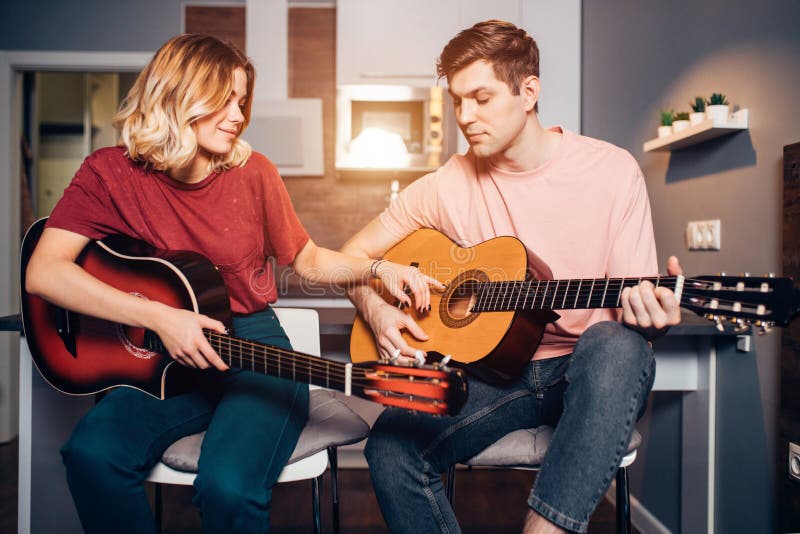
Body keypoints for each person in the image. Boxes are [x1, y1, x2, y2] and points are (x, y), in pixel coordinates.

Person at [24, 34, 437, 534]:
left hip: (254, 348)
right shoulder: (108, 174)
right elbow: (45, 271)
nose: (238, 115)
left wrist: (378, 269)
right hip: (163, 359)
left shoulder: (254, 172)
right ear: (176, 94)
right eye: (224, 99)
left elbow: (305, 261)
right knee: (91, 455)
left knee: (228, 488)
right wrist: (158, 317)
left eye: (242, 101)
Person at [340, 20, 682, 534]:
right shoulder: (447, 184)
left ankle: (547, 528)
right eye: (458, 101)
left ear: (528, 92)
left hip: (586, 373)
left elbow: (638, 315)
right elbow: (349, 258)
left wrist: (656, 321)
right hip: (494, 376)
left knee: (617, 343)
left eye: (481, 98)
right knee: (392, 446)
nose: (466, 117)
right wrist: (376, 306)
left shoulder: (612, 171)